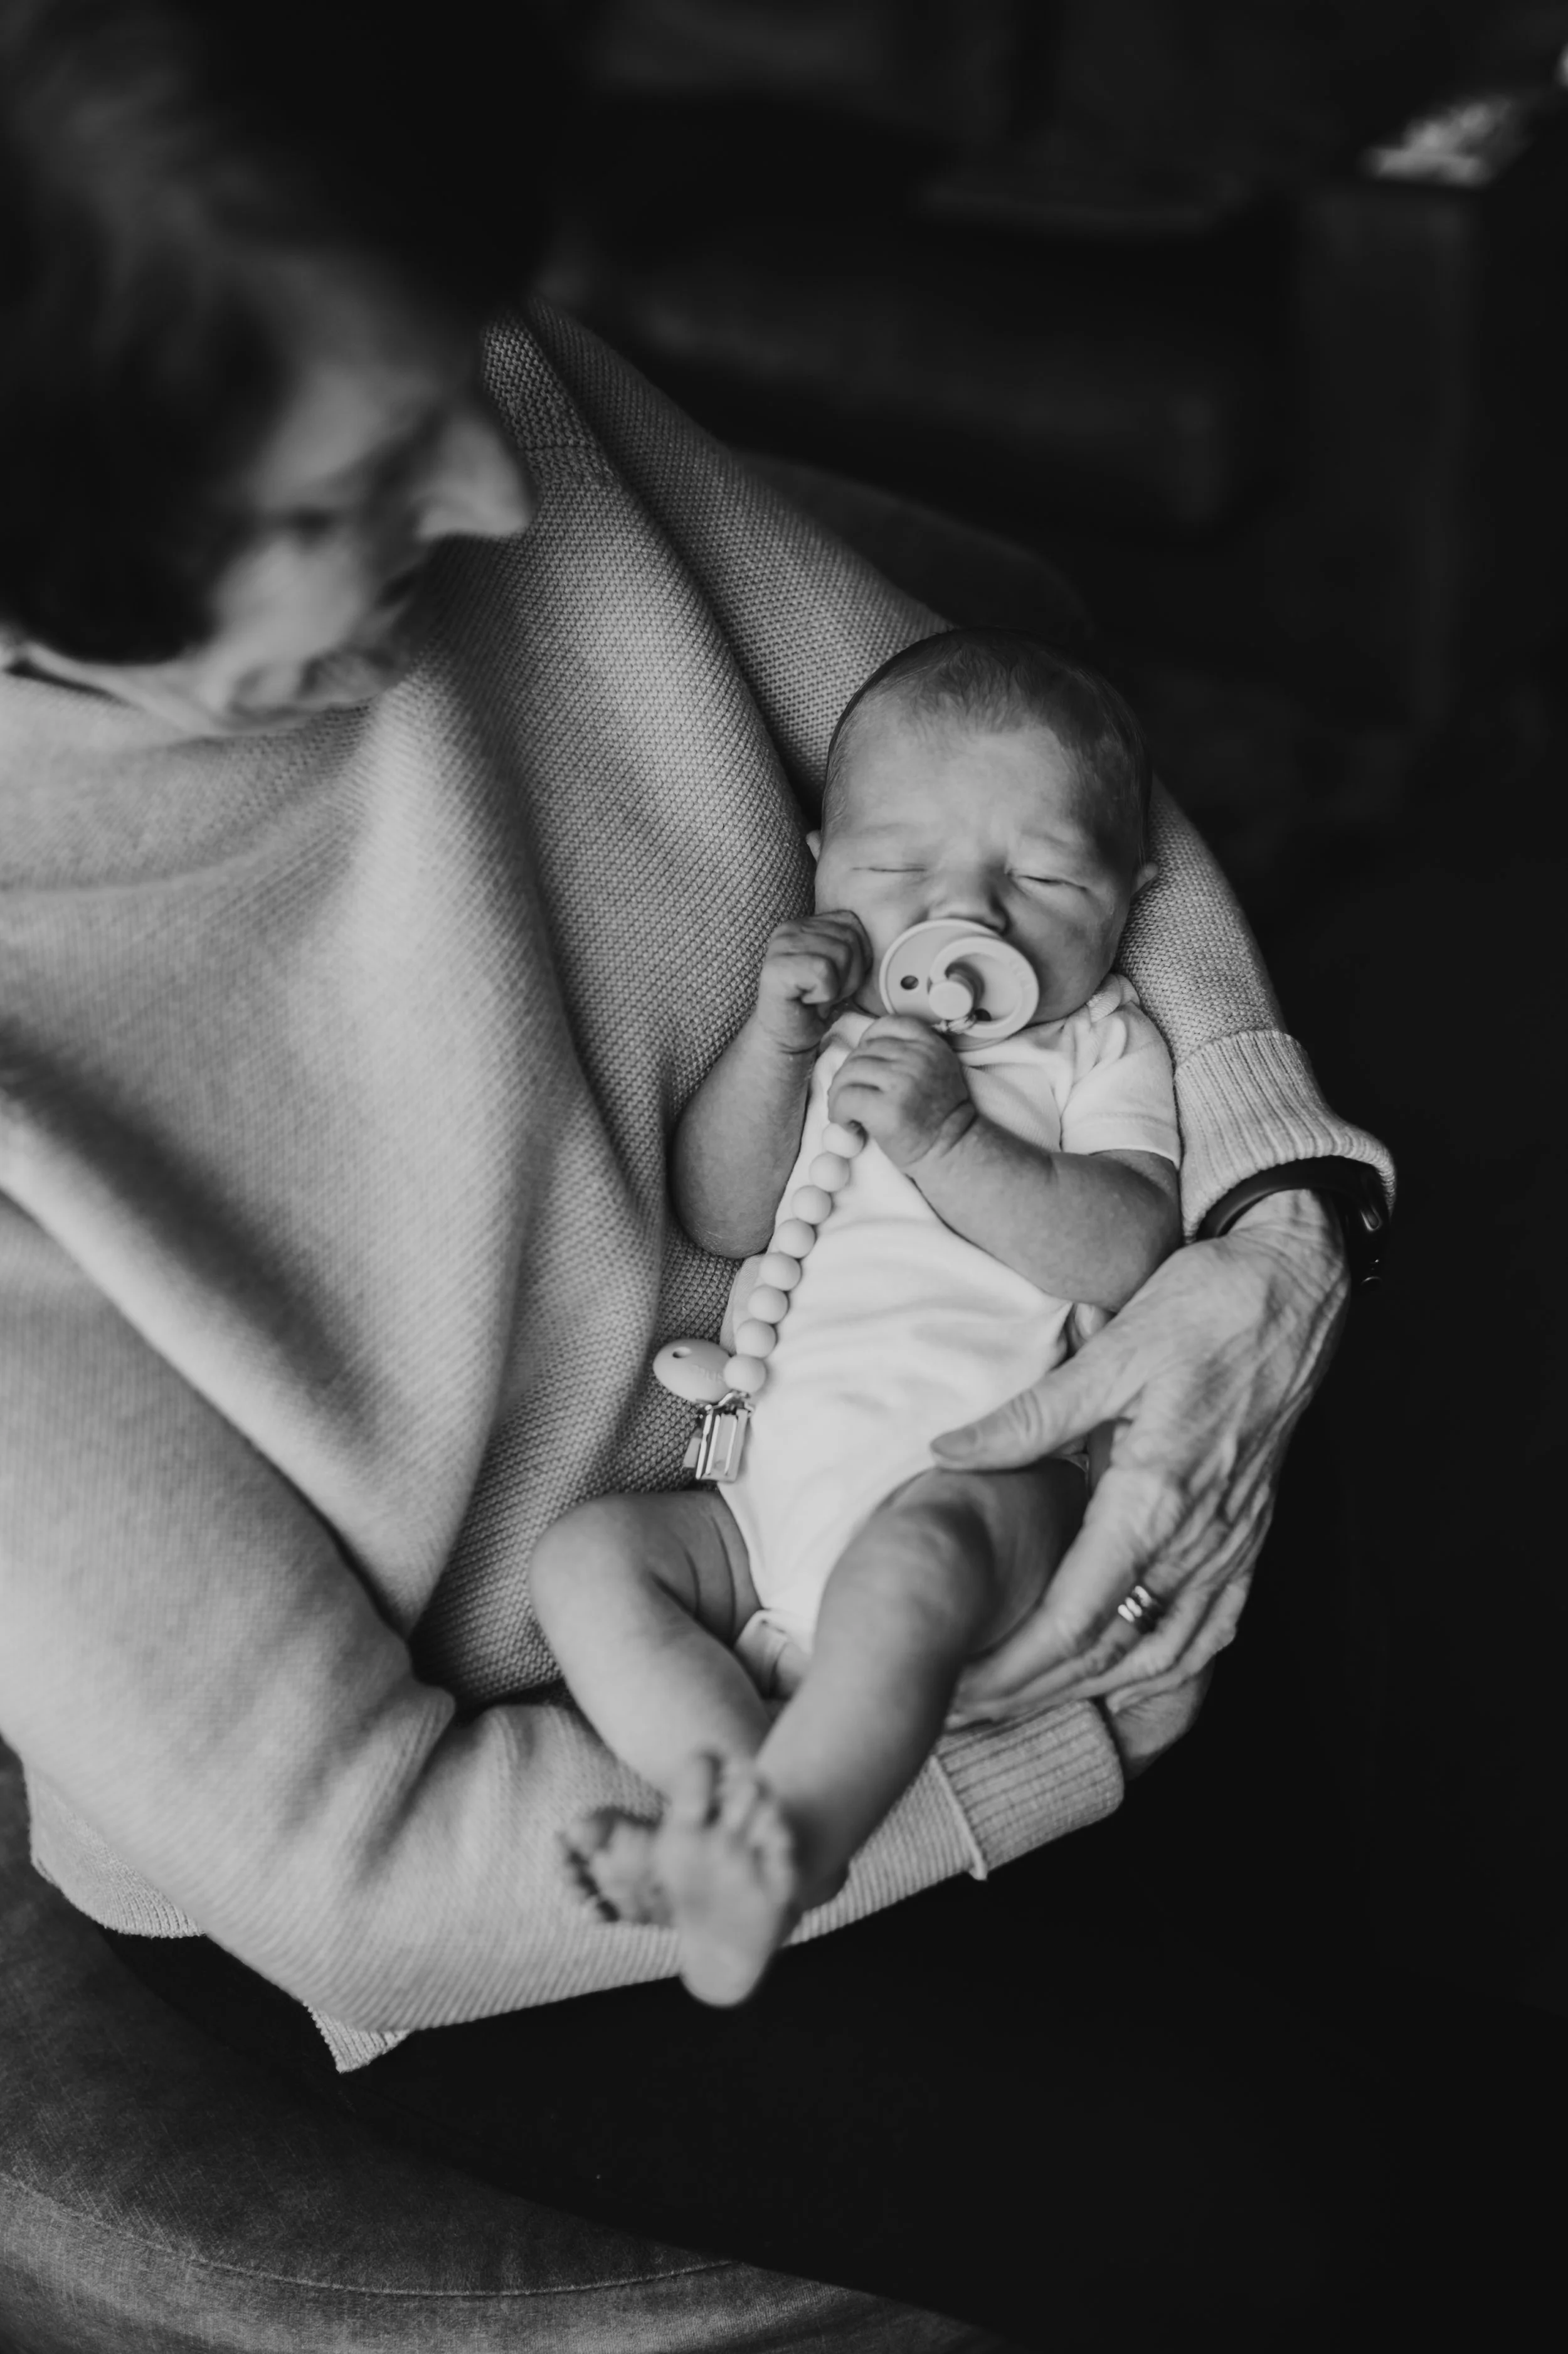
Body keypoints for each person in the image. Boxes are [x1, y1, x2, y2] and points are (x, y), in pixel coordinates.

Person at [0, 3, 1403, 2345]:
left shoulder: (450, 385)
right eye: (357, 489)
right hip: (552, 1822)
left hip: (947, 1415)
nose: (497, 492)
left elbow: (1032, 788)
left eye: (472, 355)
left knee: (1370, 1891)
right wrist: (1051, 1710)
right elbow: (354, 1874)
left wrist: (1274, 1222)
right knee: (1273, 2195)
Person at [534, 628, 1192, 2003]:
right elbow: (723, 1213)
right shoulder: (831, 1034)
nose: (970, 914)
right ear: (823, 864)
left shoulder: (1097, 1046)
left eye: (1044, 878)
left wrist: (952, 1141)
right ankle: (726, 1805)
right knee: (589, 1560)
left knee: (913, 1562)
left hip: (980, 1493)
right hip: (755, 1523)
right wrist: (777, 1044)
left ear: (1131, 896)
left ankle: (800, 1839)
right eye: (898, 871)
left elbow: (1127, 1249)